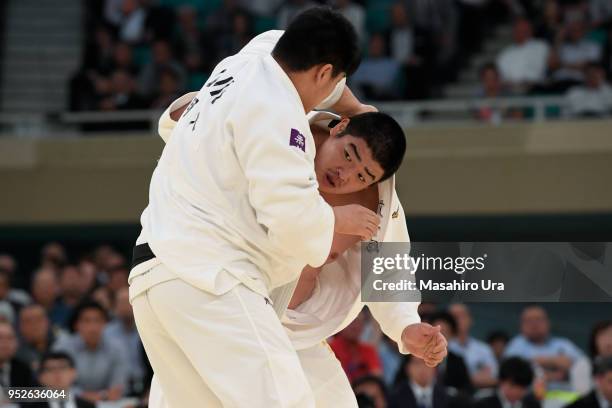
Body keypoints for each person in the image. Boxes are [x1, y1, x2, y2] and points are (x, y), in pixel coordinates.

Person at [128, 8, 380, 407]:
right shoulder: (282, 116)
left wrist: (360, 110)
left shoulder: (249, 59)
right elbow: (292, 221)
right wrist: (337, 219)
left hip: (153, 281)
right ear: (324, 72)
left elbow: (297, 56)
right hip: (211, 281)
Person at [148, 99, 448, 407]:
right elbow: (185, 129)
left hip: (294, 331)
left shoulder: (374, 204)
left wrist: (405, 327)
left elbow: (389, 268)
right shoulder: (278, 136)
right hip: (223, 305)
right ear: (339, 127)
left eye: (362, 176)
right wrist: (215, 105)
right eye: (348, 155)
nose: (345, 174)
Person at [53, 301, 128, 403]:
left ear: (105, 324)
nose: (93, 327)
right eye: (86, 321)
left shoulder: (117, 348)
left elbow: (118, 387)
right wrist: (83, 396)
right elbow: (57, 387)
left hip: (107, 404)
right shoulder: (62, 348)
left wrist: (100, 396)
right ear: (76, 325)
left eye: (97, 320)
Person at [504, 305, 584, 391]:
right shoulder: (515, 346)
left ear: (548, 322)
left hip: (565, 398)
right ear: (521, 325)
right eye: (529, 321)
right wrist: (555, 368)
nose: (534, 324)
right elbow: (513, 374)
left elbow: (582, 365)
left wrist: (541, 361)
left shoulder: (563, 344)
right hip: (529, 398)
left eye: (538, 319)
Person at [449, 303, 498, 389]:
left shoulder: (484, 349)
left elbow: (494, 378)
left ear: (470, 319)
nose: (458, 320)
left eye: (462, 316)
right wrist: (471, 378)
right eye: (454, 317)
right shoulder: (441, 347)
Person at [27, 351, 96, 408]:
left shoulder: (89, 406)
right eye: (51, 369)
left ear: (73, 373)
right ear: (41, 377)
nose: (57, 373)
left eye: (63, 368)